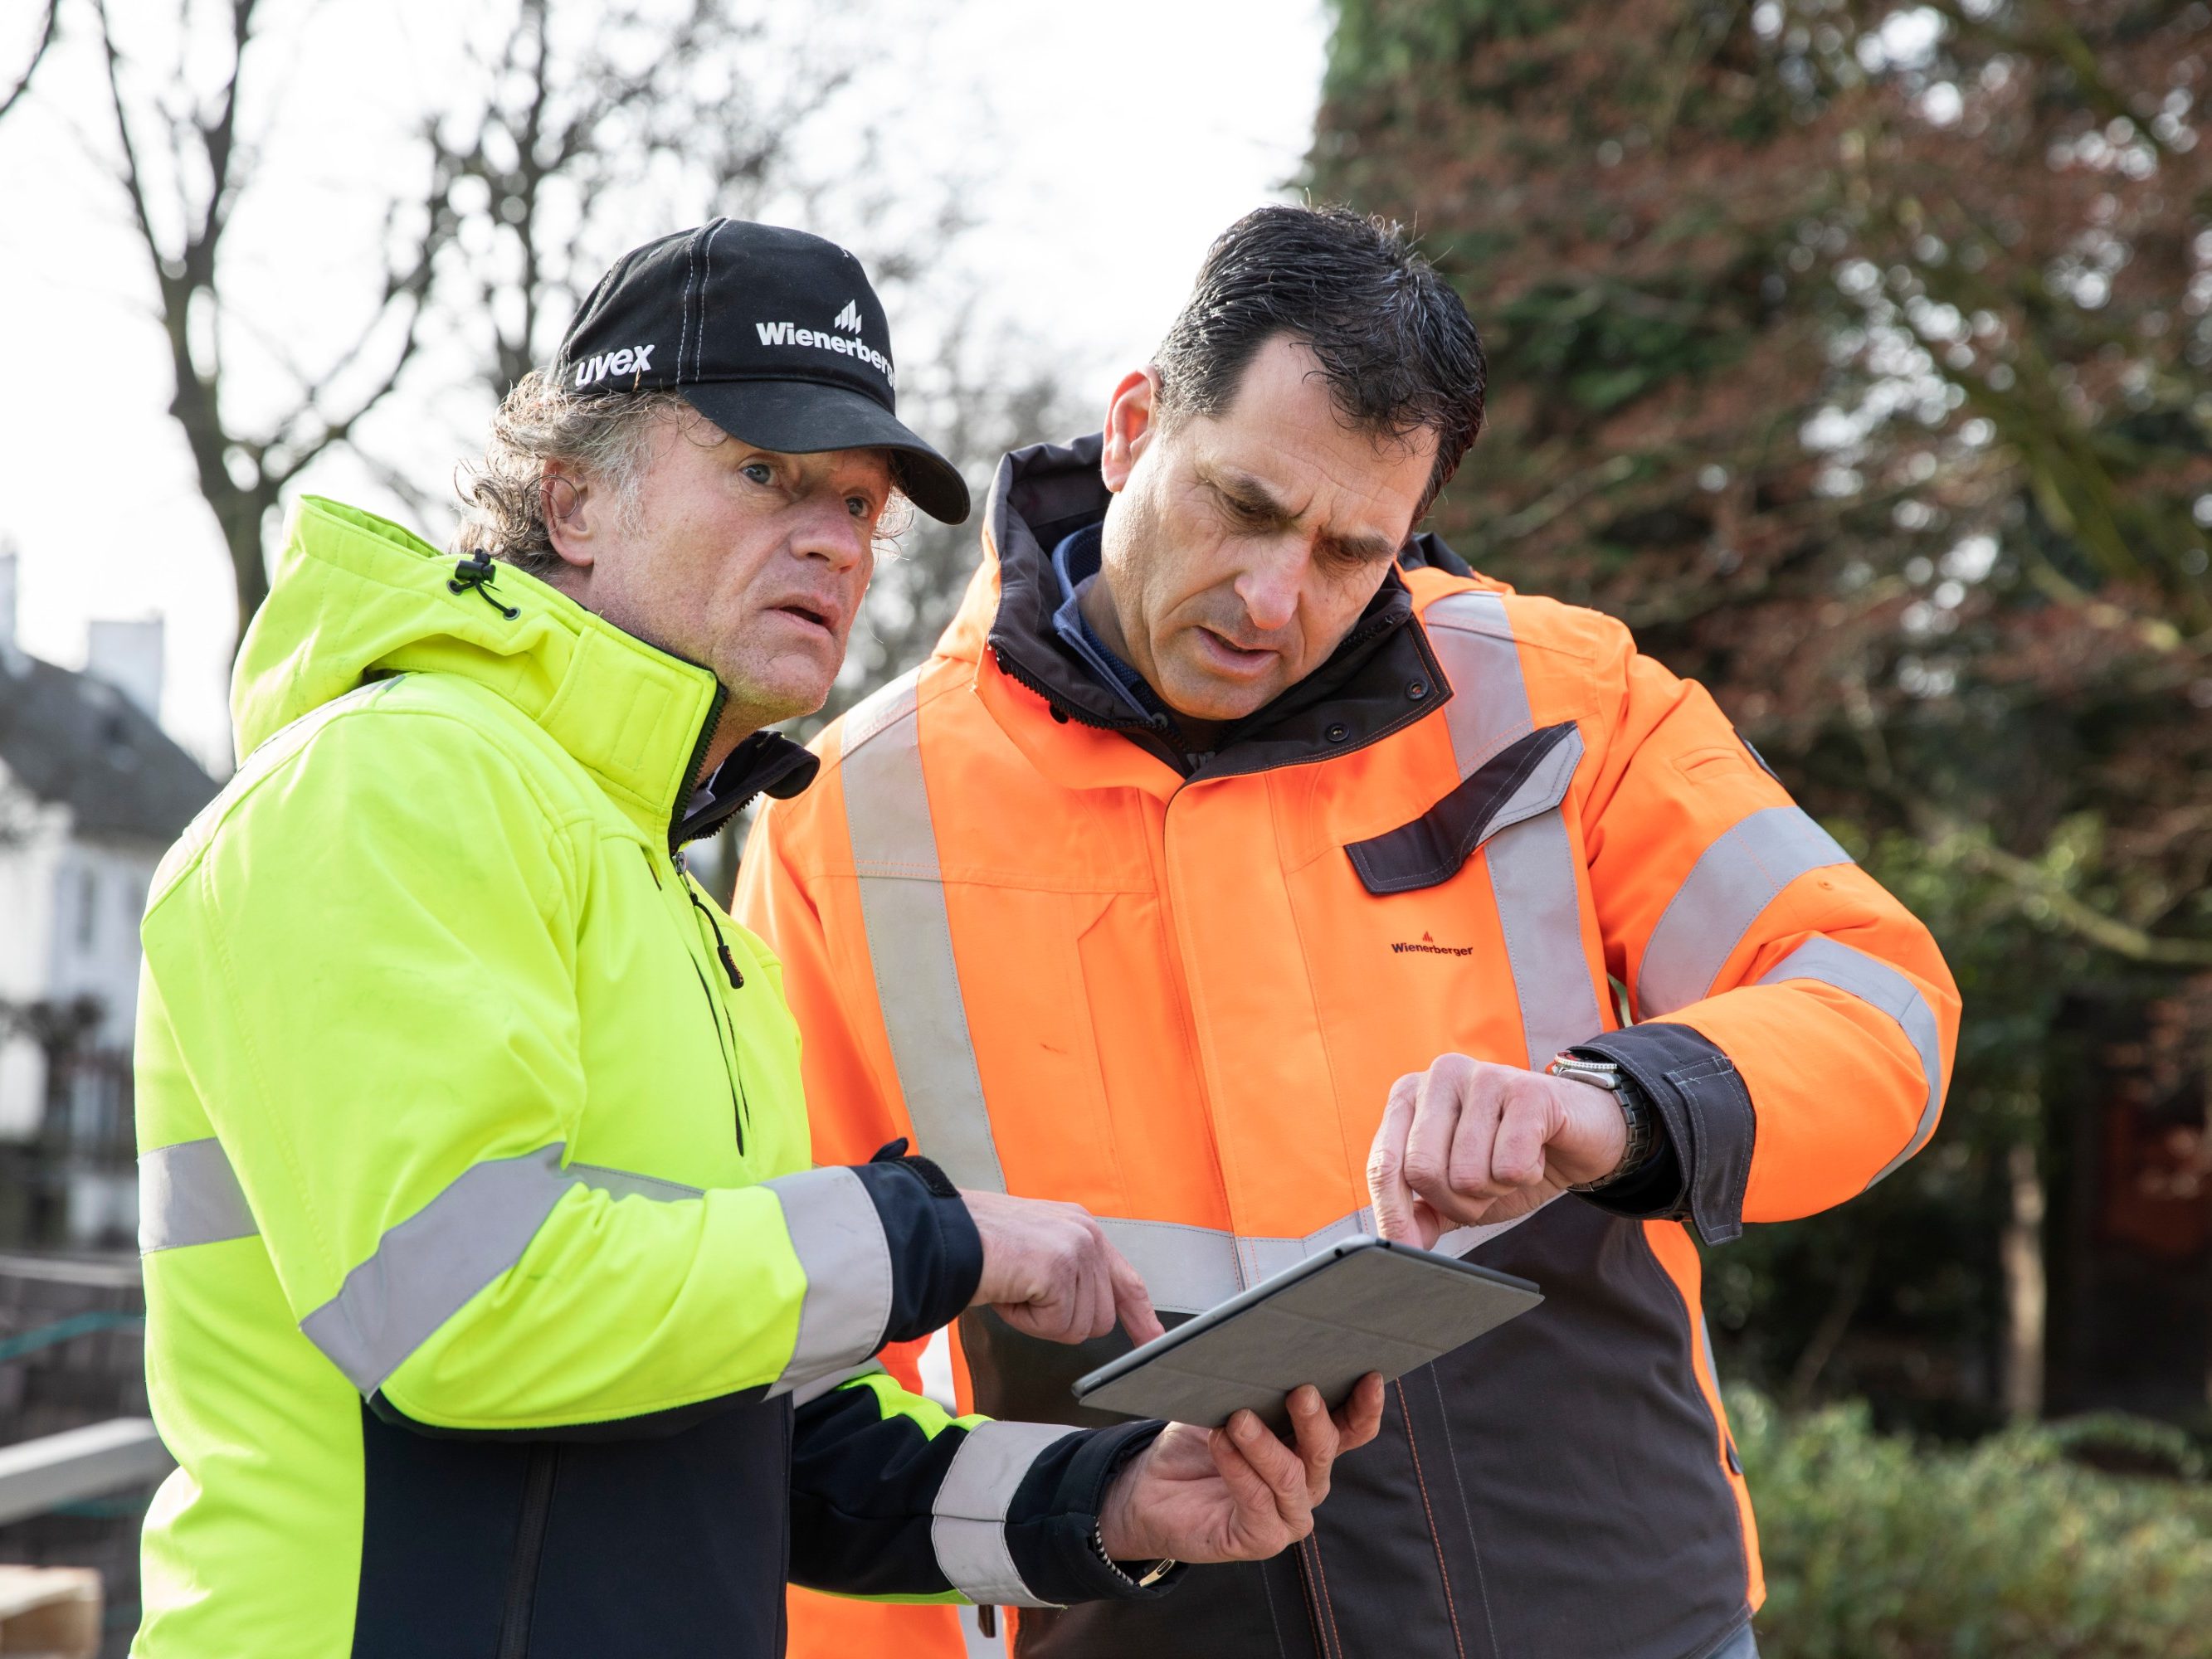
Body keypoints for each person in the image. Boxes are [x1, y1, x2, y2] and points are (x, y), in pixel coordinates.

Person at [130, 219, 1383, 1659]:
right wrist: (934, 1243)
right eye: (764, 474)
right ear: (573, 499)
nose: (830, 541)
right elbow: (461, 1313)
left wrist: (1112, 1500)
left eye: (858, 505)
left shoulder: (678, 907)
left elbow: (751, 1434)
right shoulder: (396, 780)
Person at [739, 205, 1961, 1659]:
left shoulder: (1569, 700)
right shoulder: (855, 810)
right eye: (1243, 507)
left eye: (1348, 551)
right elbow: (806, 1344)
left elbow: (1877, 1001)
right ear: (1133, 428)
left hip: (1610, 1615)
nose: (1275, 600)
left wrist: (1615, 1109)